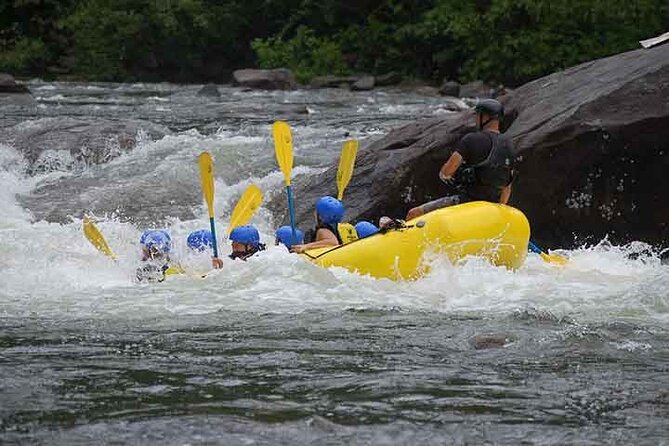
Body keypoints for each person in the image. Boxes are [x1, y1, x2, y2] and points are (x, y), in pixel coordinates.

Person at [405, 98, 515, 221]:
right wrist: (499, 208)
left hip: (466, 202)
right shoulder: (509, 145)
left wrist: (447, 175)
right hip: (492, 206)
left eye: (477, 116)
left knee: (414, 214)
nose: (475, 120)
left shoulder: (471, 139)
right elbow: (507, 185)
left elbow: (446, 173)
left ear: (484, 117)